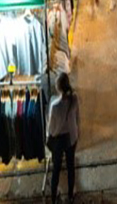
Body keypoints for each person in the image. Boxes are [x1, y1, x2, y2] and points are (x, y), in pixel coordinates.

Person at [46, 73, 79, 204]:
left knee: (56, 169)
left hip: (59, 140)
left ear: (58, 87)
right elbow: (77, 118)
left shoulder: (55, 105)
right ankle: (70, 195)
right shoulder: (74, 99)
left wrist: (49, 137)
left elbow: (52, 129)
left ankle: (53, 197)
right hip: (71, 137)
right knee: (71, 167)